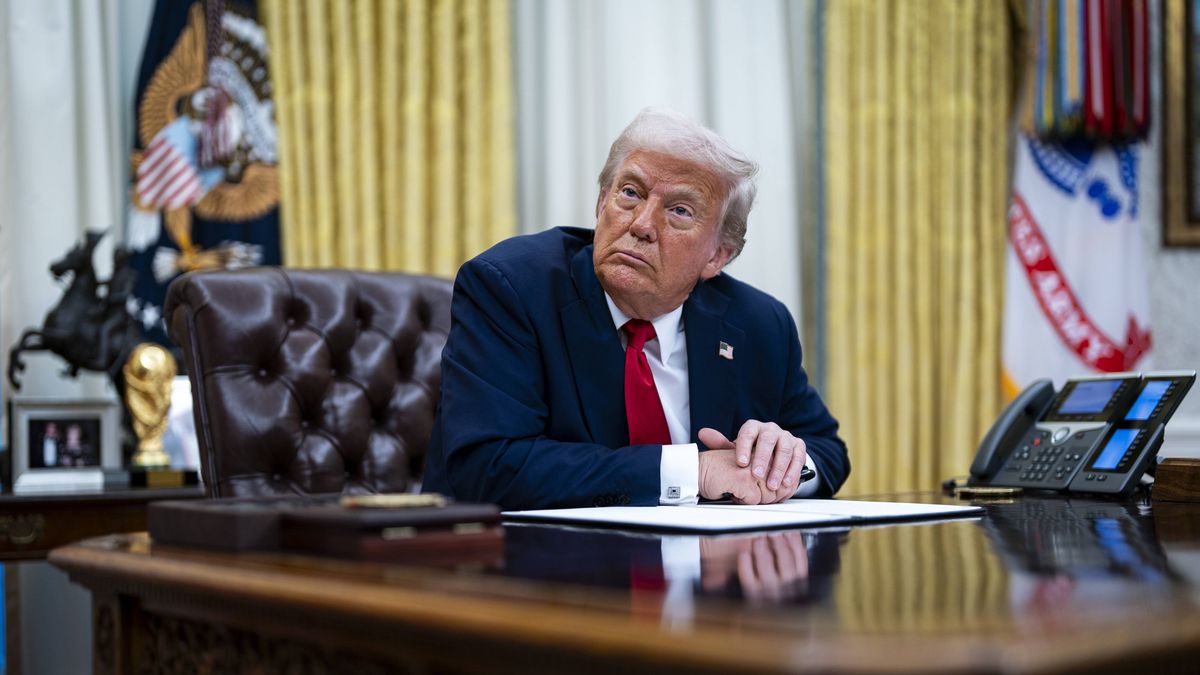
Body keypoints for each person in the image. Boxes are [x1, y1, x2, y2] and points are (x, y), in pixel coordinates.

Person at [423, 108, 849, 510]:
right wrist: (693, 471)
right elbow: (486, 466)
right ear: (601, 203)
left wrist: (777, 466)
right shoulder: (512, 288)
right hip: (531, 575)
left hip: (708, 578)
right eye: (630, 193)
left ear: (718, 256)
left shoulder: (758, 324)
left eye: (679, 211)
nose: (641, 225)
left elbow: (827, 450)